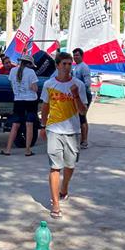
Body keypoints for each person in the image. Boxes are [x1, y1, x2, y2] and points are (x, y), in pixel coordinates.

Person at [40, 52, 87, 219]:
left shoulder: (78, 85)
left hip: (72, 130)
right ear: (57, 65)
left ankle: (64, 187)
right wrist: (43, 126)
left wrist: (75, 95)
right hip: (54, 129)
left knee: (70, 165)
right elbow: (45, 106)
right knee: (54, 167)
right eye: (64, 64)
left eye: (70, 64)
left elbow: (83, 111)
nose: (68, 67)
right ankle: (56, 204)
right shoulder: (49, 84)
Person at [0, 54, 39, 156]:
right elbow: (35, 89)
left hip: (18, 100)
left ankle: (8, 149)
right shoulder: (31, 72)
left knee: (15, 125)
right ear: (29, 64)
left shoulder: (13, 71)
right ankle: (27, 151)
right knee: (29, 125)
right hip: (31, 101)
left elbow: (12, 84)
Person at [72, 48, 93, 149]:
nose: (75, 57)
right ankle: (80, 139)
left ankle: (84, 140)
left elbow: (88, 83)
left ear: (81, 56)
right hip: (77, 95)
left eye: (77, 55)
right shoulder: (76, 67)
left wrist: (81, 90)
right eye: (74, 55)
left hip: (84, 95)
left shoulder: (84, 67)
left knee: (82, 117)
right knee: (78, 117)